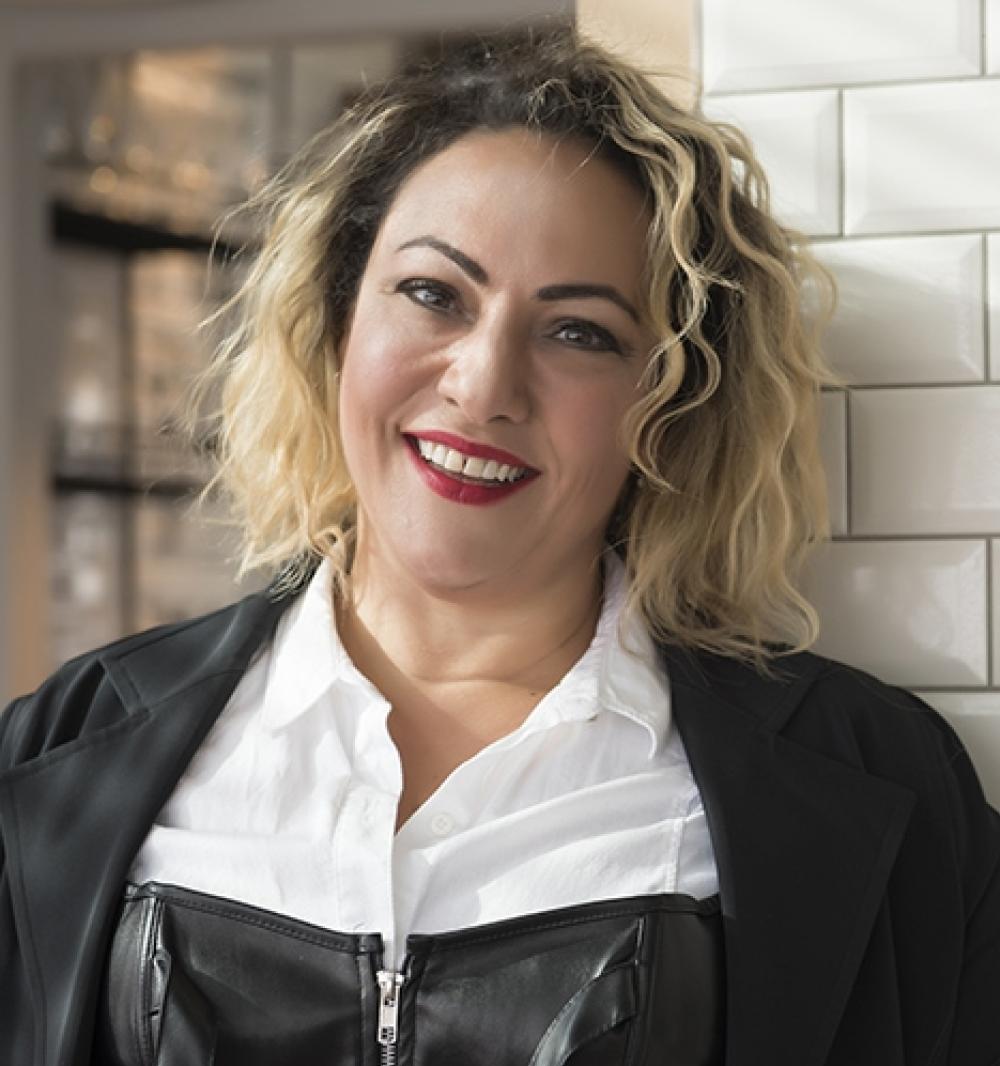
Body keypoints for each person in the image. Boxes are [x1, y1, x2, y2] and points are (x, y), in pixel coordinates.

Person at [1, 25, 998, 1066]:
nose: (482, 387)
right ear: (337, 328)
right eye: (433, 294)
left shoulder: (876, 789)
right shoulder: (64, 747)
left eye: (579, 332)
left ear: (668, 406)